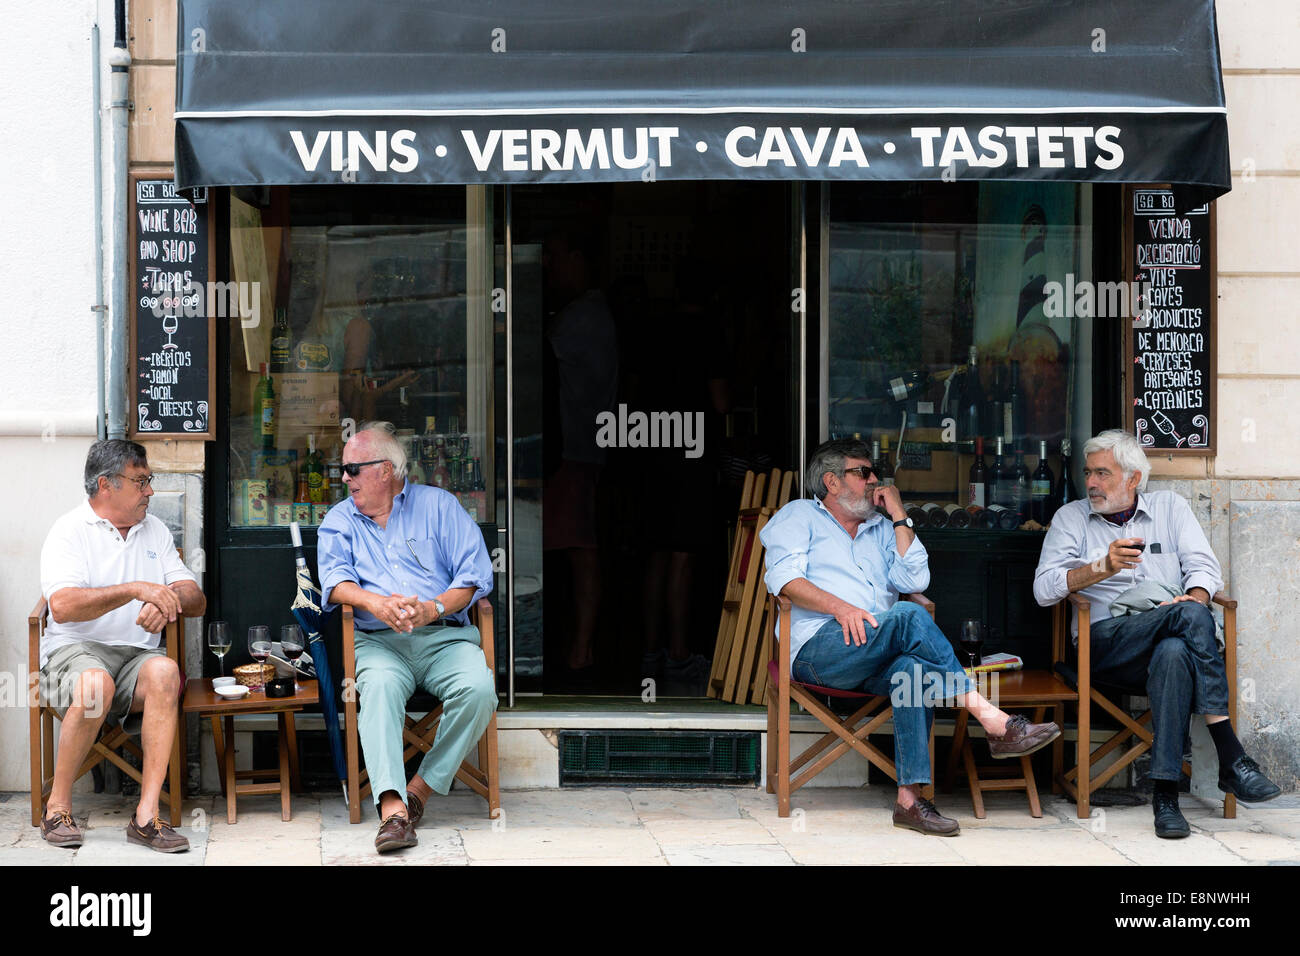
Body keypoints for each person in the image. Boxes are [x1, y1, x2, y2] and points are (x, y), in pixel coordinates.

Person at [761, 438, 1061, 836]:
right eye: (863, 472)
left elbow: (916, 579)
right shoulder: (799, 516)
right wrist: (841, 607)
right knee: (905, 613)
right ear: (831, 482)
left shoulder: (883, 529)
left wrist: (900, 514)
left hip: (875, 651)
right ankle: (991, 716)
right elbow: (783, 580)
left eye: (874, 473)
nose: (874, 480)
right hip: (821, 651)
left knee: (912, 674)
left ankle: (909, 801)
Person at [1034, 429, 1280, 838]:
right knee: (1185, 618)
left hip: (1168, 648)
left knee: (1174, 650)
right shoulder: (1071, 518)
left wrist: (1195, 599)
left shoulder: (1170, 507)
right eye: (1088, 473)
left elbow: (1204, 568)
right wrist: (1102, 568)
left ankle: (1165, 796)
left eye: (1102, 473)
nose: (1091, 483)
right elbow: (1043, 591)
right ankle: (1231, 755)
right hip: (1107, 646)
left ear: (1132, 478)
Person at [317, 422, 496, 853]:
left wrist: (432, 607)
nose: (344, 479)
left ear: (385, 470)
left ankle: (419, 789)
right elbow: (334, 582)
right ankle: (394, 812)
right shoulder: (341, 518)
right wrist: (376, 604)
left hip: (443, 637)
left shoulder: (440, 506)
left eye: (352, 469)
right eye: (343, 469)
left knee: (479, 689)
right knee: (376, 687)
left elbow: (474, 579)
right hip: (378, 642)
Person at [38, 439, 205, 852]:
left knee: (167, 671)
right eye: (141, 481)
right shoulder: (69, 531)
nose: (150, 490)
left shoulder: (156, 530)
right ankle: (56, 808)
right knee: (96, 684)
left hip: (137, 659)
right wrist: (136, 590)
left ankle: (147, 817)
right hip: (75, 653)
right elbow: (62, 606)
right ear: (105, 485)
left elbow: (196, 599)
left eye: (150, 481)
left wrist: (167, 601)